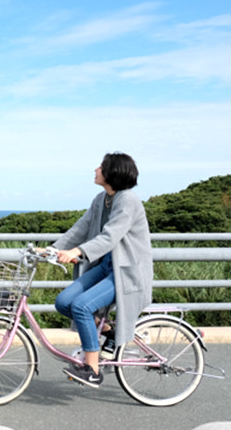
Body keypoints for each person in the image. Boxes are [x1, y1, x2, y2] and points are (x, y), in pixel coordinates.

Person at [50, 152, 153, 388]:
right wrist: (54, 249)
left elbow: (111, 236)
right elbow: (81, 227)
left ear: (112, 173)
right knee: (64, 302)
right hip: (107, 265)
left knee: (82, 306)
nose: (96, 169)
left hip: (126, 271)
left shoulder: (128, 200)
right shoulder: (101, 198)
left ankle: (93, 369)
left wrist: (77, 252)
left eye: (101, 167)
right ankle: (106, 331)